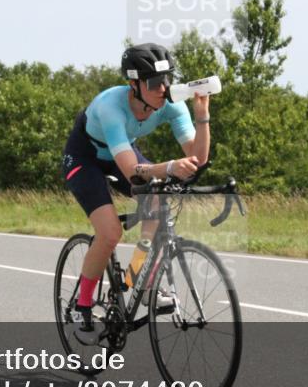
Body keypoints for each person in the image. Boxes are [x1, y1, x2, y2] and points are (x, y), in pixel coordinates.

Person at [61, 43, 211, 345]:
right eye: (155, 83)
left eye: (167, 79)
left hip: (122, 153)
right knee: (109, 232)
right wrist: (169, 167)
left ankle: (138, 280)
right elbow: (131, 170)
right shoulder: (110, 106)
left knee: (156, 202)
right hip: (85, 158)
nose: (163, 88)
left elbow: (198, 159)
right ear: (134, 84)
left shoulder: (170, 104)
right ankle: (83, 305)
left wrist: (202, 116)